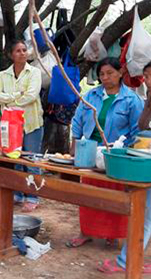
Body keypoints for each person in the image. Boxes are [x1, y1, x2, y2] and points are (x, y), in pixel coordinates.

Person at [66, 57, 143, 249]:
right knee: (88, 194)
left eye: (110, 73)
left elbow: (137, 131)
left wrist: (126, 153)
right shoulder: (91, 95)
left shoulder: (132, 100)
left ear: (120, 73)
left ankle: (113, 235)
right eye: (101, 74)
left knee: (113, 195)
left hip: (115, 156)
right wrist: (74, 145)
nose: (105, 78)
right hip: (89, 152)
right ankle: (86, 232)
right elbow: (77, 121)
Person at [97, 61, 151, 274]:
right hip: (145, 161)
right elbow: (142, 128)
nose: (145, 81)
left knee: (145, 215)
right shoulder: (147, 100)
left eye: (148, 77)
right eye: (145, 77)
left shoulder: (133, 99)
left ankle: (125, 262)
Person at [0, 40, 44, 212]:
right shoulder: (3, 75)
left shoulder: (35, 72)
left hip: (31, 122)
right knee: (14, 158)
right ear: (11, 54)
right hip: (10, 125)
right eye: (18, 50)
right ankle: (18, 193)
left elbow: (31, 95)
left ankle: (32, 196)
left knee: (31, 160)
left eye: (24, 50)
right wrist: (17, 95)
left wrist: (10, 99)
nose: (22, 53)